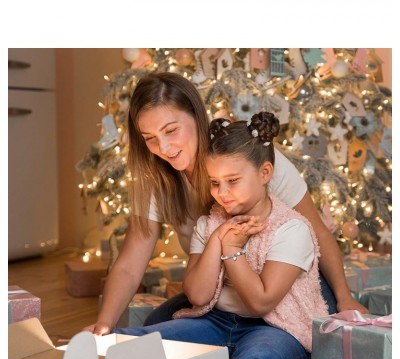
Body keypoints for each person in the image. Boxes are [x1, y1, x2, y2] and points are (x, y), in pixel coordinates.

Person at [84, 71, 366, 336]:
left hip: (284, 294)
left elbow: (318, 230)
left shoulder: (252, 161)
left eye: (171, 131)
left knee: (263, 337)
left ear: (196, 117)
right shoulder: (156, 179)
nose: (164, 148)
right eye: (150, 139)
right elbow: (130, 264)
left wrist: (344, 298)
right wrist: (103, 324)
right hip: (221, 296)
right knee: (156, 324)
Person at [113, 112, 329, 359]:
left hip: (276, 329)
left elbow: (260, 303)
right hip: (215, 322)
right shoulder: (210, 223)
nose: (222, 192)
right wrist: (218, 238)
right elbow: (198, 294)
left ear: (265, 172)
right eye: (214, 182)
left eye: (233, 181)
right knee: (142, 340)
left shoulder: (292, 229)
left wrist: (232, 249)